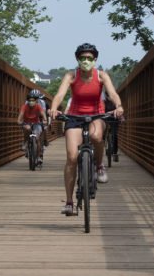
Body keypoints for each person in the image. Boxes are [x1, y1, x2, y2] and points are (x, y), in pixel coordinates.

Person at [49, 43, 124, 216]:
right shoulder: (71, 75)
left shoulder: (101, 76)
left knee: (97, 137)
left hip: (97, 115)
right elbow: (60, 94)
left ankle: (98, 166)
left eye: (89, 58)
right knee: (72, 158)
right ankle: (69, 202)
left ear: (95, 59)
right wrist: (54, 107)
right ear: (77, 59)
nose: (86, 61)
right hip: (74, 117)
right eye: (82, 58)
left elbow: (112, 93)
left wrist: (118, 106)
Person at [17, 88, 50, 166]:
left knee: (39, 138)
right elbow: (20, 117)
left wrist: (45, 121)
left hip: (37, 121)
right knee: (27, 129)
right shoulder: (25, 105)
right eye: (30, 99)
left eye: (34, 99)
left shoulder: (41, 103)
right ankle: (25, 142)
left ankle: (40, 153)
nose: (32, 101)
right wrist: (21, 123)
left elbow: (43, 113)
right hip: (27, 122)